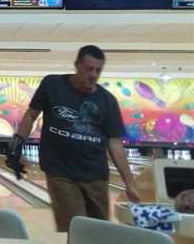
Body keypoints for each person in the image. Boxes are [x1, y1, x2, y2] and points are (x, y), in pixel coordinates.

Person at [7, 45, 141, 232]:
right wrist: (17, 144)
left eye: (98, 70)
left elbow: (114, 143)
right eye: (89, 69)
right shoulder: (52, 85)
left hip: (96, 175)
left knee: (99, 232)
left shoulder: (107, 100)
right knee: (77, 228)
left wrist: (130, 183)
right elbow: (31, 115)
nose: (93, 74)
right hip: (60, 172)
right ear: (77, 65)